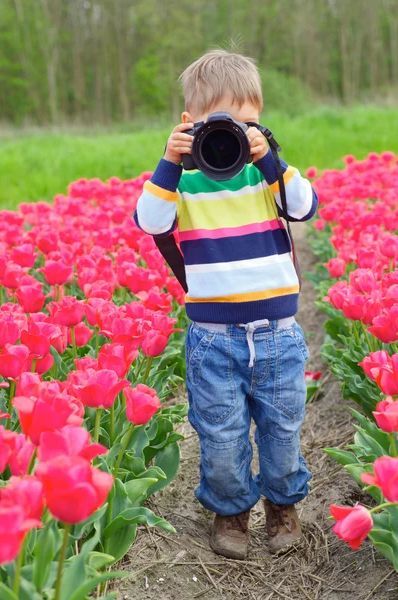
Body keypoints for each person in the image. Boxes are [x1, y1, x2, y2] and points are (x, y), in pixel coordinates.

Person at [134, 49, 318, 560]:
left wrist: (269, 157)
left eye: (250, 123)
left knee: (283, 425)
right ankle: (231, 508)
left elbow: (304, 207)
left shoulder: (268, 177)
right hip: (213, 339)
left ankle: (282, 503)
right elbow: (149, 222)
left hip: (277, 333)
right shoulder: (183, 182)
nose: (235, 134)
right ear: (191, 123)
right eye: (223, 125)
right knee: (219, 431)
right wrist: (170, 162)